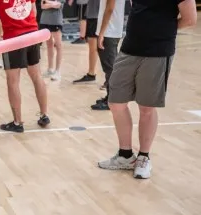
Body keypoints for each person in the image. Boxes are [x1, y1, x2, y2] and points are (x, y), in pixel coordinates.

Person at [98, 0, 197, 179]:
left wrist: (163, 30)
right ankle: (125, 155)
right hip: (129, 48)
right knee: (116, 102)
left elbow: (190, 19)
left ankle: (144, 157)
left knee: (147, 107)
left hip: (158, 51)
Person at [0, 0, 50, 133]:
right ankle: (44, 115)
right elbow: (33, 9)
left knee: (13, 81)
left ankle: (17, 123)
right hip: (32, 34)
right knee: (37, 76)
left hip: (13, 39)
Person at [90, 0, 125, 110]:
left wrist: (101, 33)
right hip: (110, 31)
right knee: (110, 67)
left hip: (109, 32)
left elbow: (110, 8)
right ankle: (110, 97)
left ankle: (112, 100)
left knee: (110, 68)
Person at [73, 0, 100, 84]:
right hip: (93, 15)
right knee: (93, 48)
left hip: (96, 16)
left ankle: (93, 74)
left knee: (97, 48)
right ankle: (91, 73)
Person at [40, 0, 64, 81]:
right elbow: (43, 6)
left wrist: (47, 2)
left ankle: (57, 71)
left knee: (58, 45)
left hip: (56, 21)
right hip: (45, 20)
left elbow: (58, 5)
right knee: (49, 44)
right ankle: (50, 69)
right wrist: (52, 4)